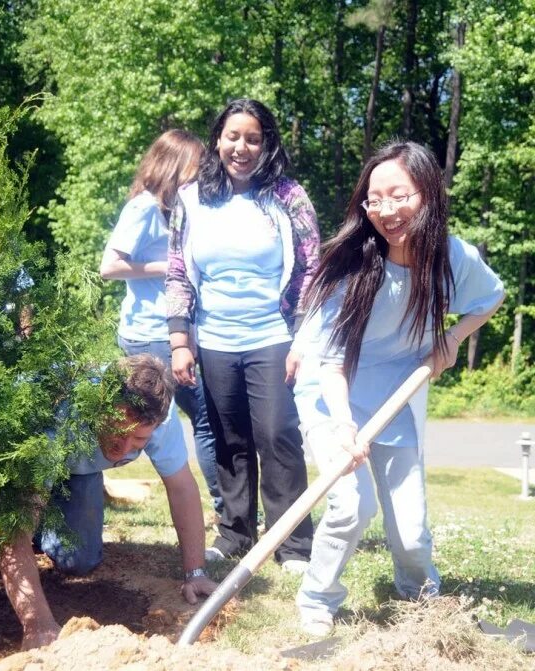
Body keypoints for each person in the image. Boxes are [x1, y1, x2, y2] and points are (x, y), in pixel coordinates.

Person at [291, 140, 505, 637]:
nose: (386, 211)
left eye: (399, 196)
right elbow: (331, 364)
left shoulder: (451, 257)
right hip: (331, 395)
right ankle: (318, 598)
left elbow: (492, 296)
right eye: (375, 199)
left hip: (399, 396)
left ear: (428, 193)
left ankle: (420, 594)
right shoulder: (352, 267)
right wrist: (344, 425)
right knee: (351, 503)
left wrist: (450, 340)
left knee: (410, 529)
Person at [165, 99, 319, 571]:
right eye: (233, 136)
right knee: (229, 440)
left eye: (253, 138)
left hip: (274, 336)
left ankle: (292, 544)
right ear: (218, 139)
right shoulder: (191, 198)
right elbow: (176, 271)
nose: (242, 147)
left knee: (277, 435)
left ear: (266, 143)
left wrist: (303, 337)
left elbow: (313, 266)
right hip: (213, 340)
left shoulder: (288, 195)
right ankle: (235, 533)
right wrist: (179, 341)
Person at [0, 354, 217, 650]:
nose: (124, 449)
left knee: (80, 561)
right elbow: (14, 530)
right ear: (101, 408)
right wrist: (37, 623)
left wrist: (196, 572)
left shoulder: (162, 419)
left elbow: (182, 488)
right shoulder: (62, 412)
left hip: (79, 471)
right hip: (24, 459)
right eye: (118, 431)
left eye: (138, 441)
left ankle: (49, 523)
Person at [99, 129, 222, 520]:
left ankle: (228, 510)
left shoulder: (179, 211)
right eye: (192, 167)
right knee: (202, 416)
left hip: (176, 330)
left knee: (202, 418)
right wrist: (170, 265)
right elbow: (109, 266)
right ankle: (226, 511)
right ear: (170, 165)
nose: (198, 175)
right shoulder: (144, 208)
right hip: (151, 334)